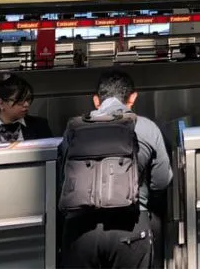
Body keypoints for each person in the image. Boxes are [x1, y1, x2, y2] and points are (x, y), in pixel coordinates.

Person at [58, 70, 172, 268]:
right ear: (133, 97)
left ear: (96, 100)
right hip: (131, 226)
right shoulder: (147, 127)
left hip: (80, 230)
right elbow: (161, 181)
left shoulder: (73, 129)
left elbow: (62, 176)